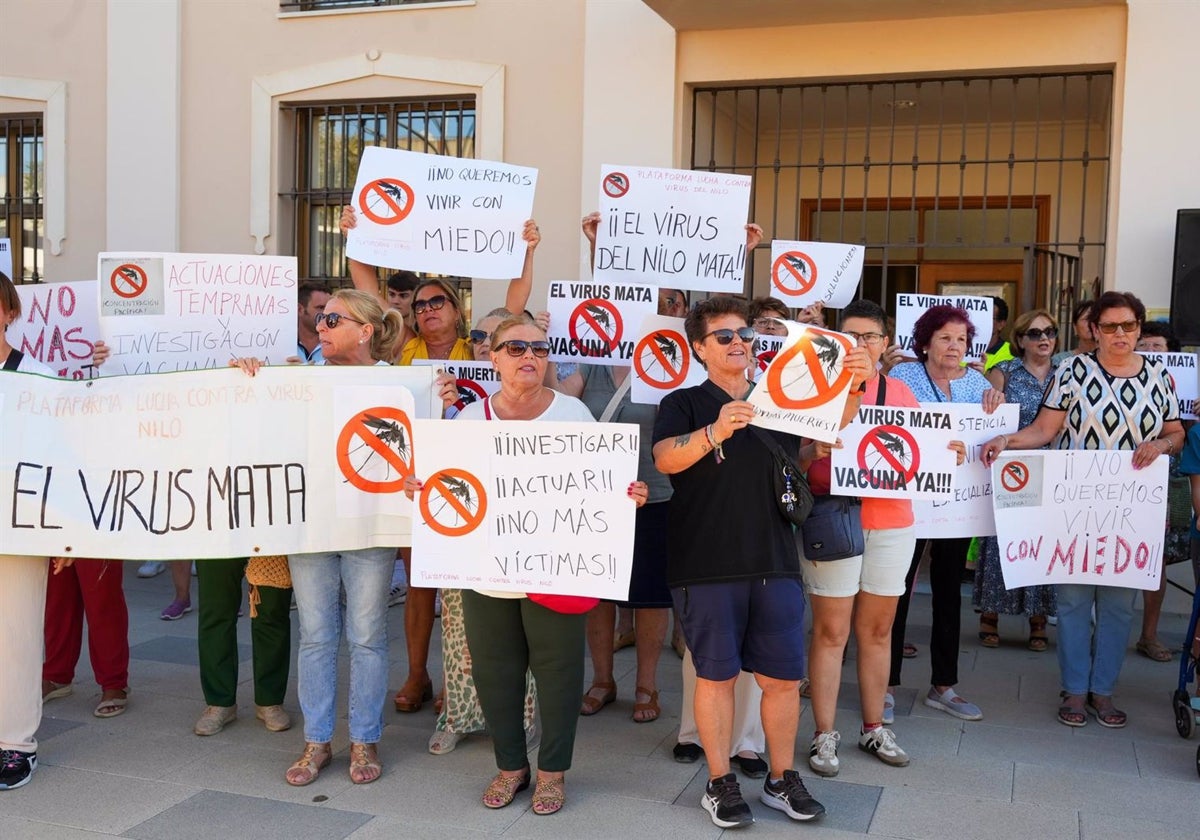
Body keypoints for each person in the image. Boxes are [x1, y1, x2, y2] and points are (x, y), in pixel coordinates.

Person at [410, 315, 648, 815]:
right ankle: (510, 766)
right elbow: (450, 483)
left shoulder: (573, 414)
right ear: (492, 357)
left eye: (539, 349)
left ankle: (553, 772)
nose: (529, 357)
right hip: (485, 573)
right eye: (515, 348)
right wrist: (421, 486)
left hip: (553, 573)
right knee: (496, 673)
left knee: (559, 673)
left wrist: (628, 494)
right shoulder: (469, 420)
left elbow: (600, 484)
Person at [653, 296, 871, 828]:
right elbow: (664, 459)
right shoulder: (682, 402)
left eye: (746, 336)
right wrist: (715, 431)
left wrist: (857, 382)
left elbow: (827, 428)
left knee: (779, 678)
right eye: (724, 337)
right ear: (699, 348)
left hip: (775, 561)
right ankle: (720, 781)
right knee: (717, 677)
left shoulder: (777, 395)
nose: (739, 345)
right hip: (704, 563)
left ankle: (780, 777)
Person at [235, 289, 455, 785]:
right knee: (315, 636)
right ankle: (317, 741)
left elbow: (434, 450)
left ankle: (363, 739)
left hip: (370, 527)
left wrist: (441, 407)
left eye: (334, 318)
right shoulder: (296, 380)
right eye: (321, 318)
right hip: (311, 525)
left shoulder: (402, 384)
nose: (322, 326)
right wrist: (249, 380)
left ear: (366, 330)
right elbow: (257, 426)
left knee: (367, 637)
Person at [341, 207, 539, 714]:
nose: (427, 309)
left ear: (456, 309)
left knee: (464, 589)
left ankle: (460, 678)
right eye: (421, 304)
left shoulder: (479, 351)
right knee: (420, 583)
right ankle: (416, 675)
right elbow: (365, 289)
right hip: (414, 477)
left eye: (437, 302)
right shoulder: (403, 347)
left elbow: (516, 306)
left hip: (474, 479)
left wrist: (528, 250)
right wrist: (356, 235)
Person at [981, 291, 1183, 728]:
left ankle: (1104, 691)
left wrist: (1163, 444)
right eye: (1109, 326)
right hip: (1075, 506)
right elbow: (1043, 430)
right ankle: (1074, 688)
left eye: (1128, 326)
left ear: (1139, 328)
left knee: (1117, 604)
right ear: (1095, 330)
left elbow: (1176, 433)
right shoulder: (1073, 370)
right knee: (1072, 600)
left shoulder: (1159, 377)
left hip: (1129, 510)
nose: (1120, 334)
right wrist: (1006, 442)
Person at [800, 300, 965, 778]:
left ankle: (874, 725)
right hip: (836, 519)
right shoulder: (815, 386)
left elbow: (918, 451)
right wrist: (814, 446)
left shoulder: (901, 392)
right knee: (831, 632)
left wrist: (943, 454)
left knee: (876, 631)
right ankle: (823, 733)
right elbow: (795, 457)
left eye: (870, 337)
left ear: (885, 344)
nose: (861, 345)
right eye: (851, 336)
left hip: (893, 520)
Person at [887, 305, 1005, 722]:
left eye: (960, 339)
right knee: (896, 588)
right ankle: (886, 683)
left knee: (949, 590)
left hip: (959, 506)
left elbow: (991, 435)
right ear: (925, 342)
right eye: (945, 338)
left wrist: (997, 408)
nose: (954, 347)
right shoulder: (903, 377)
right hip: (910, 500)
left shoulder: (977, 382)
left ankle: (944, 685)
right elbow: (894, 432)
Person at [1, 270, 76, 791]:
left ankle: (15, 744)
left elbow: (60, 458)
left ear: (8, 312)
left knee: (17, 637)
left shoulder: (39, 377)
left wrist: (62, 532)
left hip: (20, 527)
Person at [975, 309, 1060, 651]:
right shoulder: (1004, 372)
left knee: (1043, 541)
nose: (1044, 339)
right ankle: (991, 614)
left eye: (1050, 332)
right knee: (1002, 540)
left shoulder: (1065, 374)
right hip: (1012, 465)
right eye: (1036, 333)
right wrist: (990, 397)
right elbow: (988, 416)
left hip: (1053, 467)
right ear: (1021, 340)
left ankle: (1037, 617)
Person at [191, 556, 293, 737]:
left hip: (267, 533)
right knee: (215, 610)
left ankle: (270, 700)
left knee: (272, 611)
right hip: (217, 534)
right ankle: (219, 702)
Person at [1132, 320, 1184, 663]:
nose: (1150, 353)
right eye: (1145, 345)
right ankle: (1105, 629)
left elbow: (1180, 435)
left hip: (1162, 480)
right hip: (1120, 474)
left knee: (1155, 560)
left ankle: (1148, 635)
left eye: (1158, 347)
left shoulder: (1181, 387)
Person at [42, 556, 130, 719]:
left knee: (102, 599)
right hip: (55, 532)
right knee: (57, 599)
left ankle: (114, 682)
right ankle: (56, 675)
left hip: (97, 534)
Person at [296, 281, 332, 363]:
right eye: (320, 307)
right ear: (300, 309)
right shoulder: (283, 344)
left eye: (329, 308)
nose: (327, 313)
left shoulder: (337, 345)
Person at [1052, 300, 1095, 365]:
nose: (1091, 323)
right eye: (1086, 319)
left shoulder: (1110, 361)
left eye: (1095, 319)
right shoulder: (1060, 360)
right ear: (1075, 327)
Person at [984, 296, 1013, 371]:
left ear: (1001, 324)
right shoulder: (960, 348)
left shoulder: (1012, 353)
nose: (980, 322)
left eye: (987, 318)